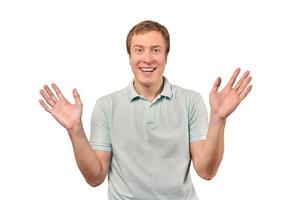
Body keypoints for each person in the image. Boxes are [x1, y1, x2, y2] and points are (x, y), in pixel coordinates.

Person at [39, 20, 252, 199]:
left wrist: (218, 119)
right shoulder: (107, 106)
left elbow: (206, 171)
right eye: (138, 50)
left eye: (156, 50)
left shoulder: (191, 101)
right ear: (130, 57)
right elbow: (95, 177)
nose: (147, 58)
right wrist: (75, 129)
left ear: (166, 57)